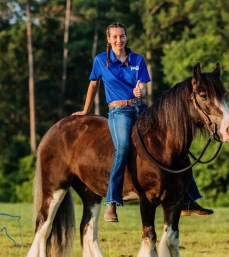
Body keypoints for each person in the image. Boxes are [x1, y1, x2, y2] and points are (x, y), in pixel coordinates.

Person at [73, 22, 213, 222]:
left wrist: (141, 91)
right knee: (122, 148)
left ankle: (189, 199)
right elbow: (93, 85)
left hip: (142, 109)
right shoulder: (100, 61)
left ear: (126, 37)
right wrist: (86, 110)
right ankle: (112, 202)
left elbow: (142, 85)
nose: (118, 40)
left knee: (175, 145)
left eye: (122, 36)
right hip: (119, 111)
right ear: (108, 39)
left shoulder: (137, 60)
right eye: (114, 37)